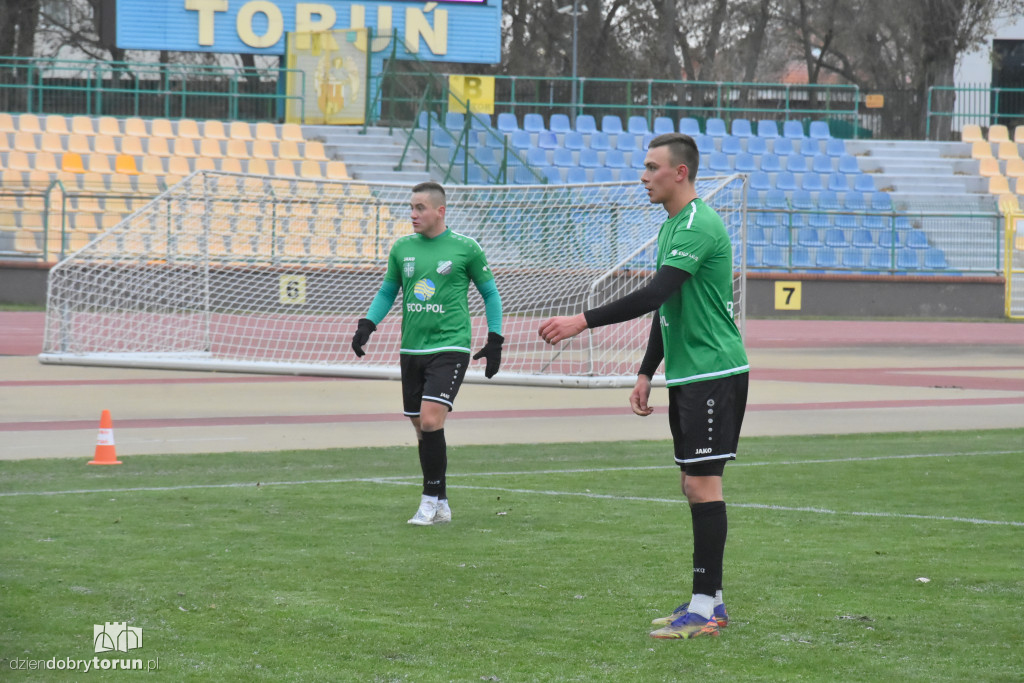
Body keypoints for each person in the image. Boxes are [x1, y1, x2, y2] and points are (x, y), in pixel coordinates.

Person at [538, 133, 749, 639]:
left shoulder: (697, 224)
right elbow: (668, 305)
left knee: (703, 484)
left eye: (652, 167)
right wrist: (646, 370)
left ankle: (704, 609)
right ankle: (709, 602)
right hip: (689, 373)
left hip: (714, 372)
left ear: (680, 173)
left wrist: (581, 322)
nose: (643, 175)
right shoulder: (672, 227)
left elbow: (655, 292)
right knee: (690, 483)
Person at [352, 181, 504, 526]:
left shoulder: (466, 248)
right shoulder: (402, 248)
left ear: (440, 211)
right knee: (422, 427)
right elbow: (389, 290)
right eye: (411, 207)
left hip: (450, 346)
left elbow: (490, 294)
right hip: (412, 348)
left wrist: (495, 339)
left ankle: (428, 502)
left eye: (420, 207)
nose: (413, 214)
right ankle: (442, 501)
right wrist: (367, 324)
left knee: (432, 419)